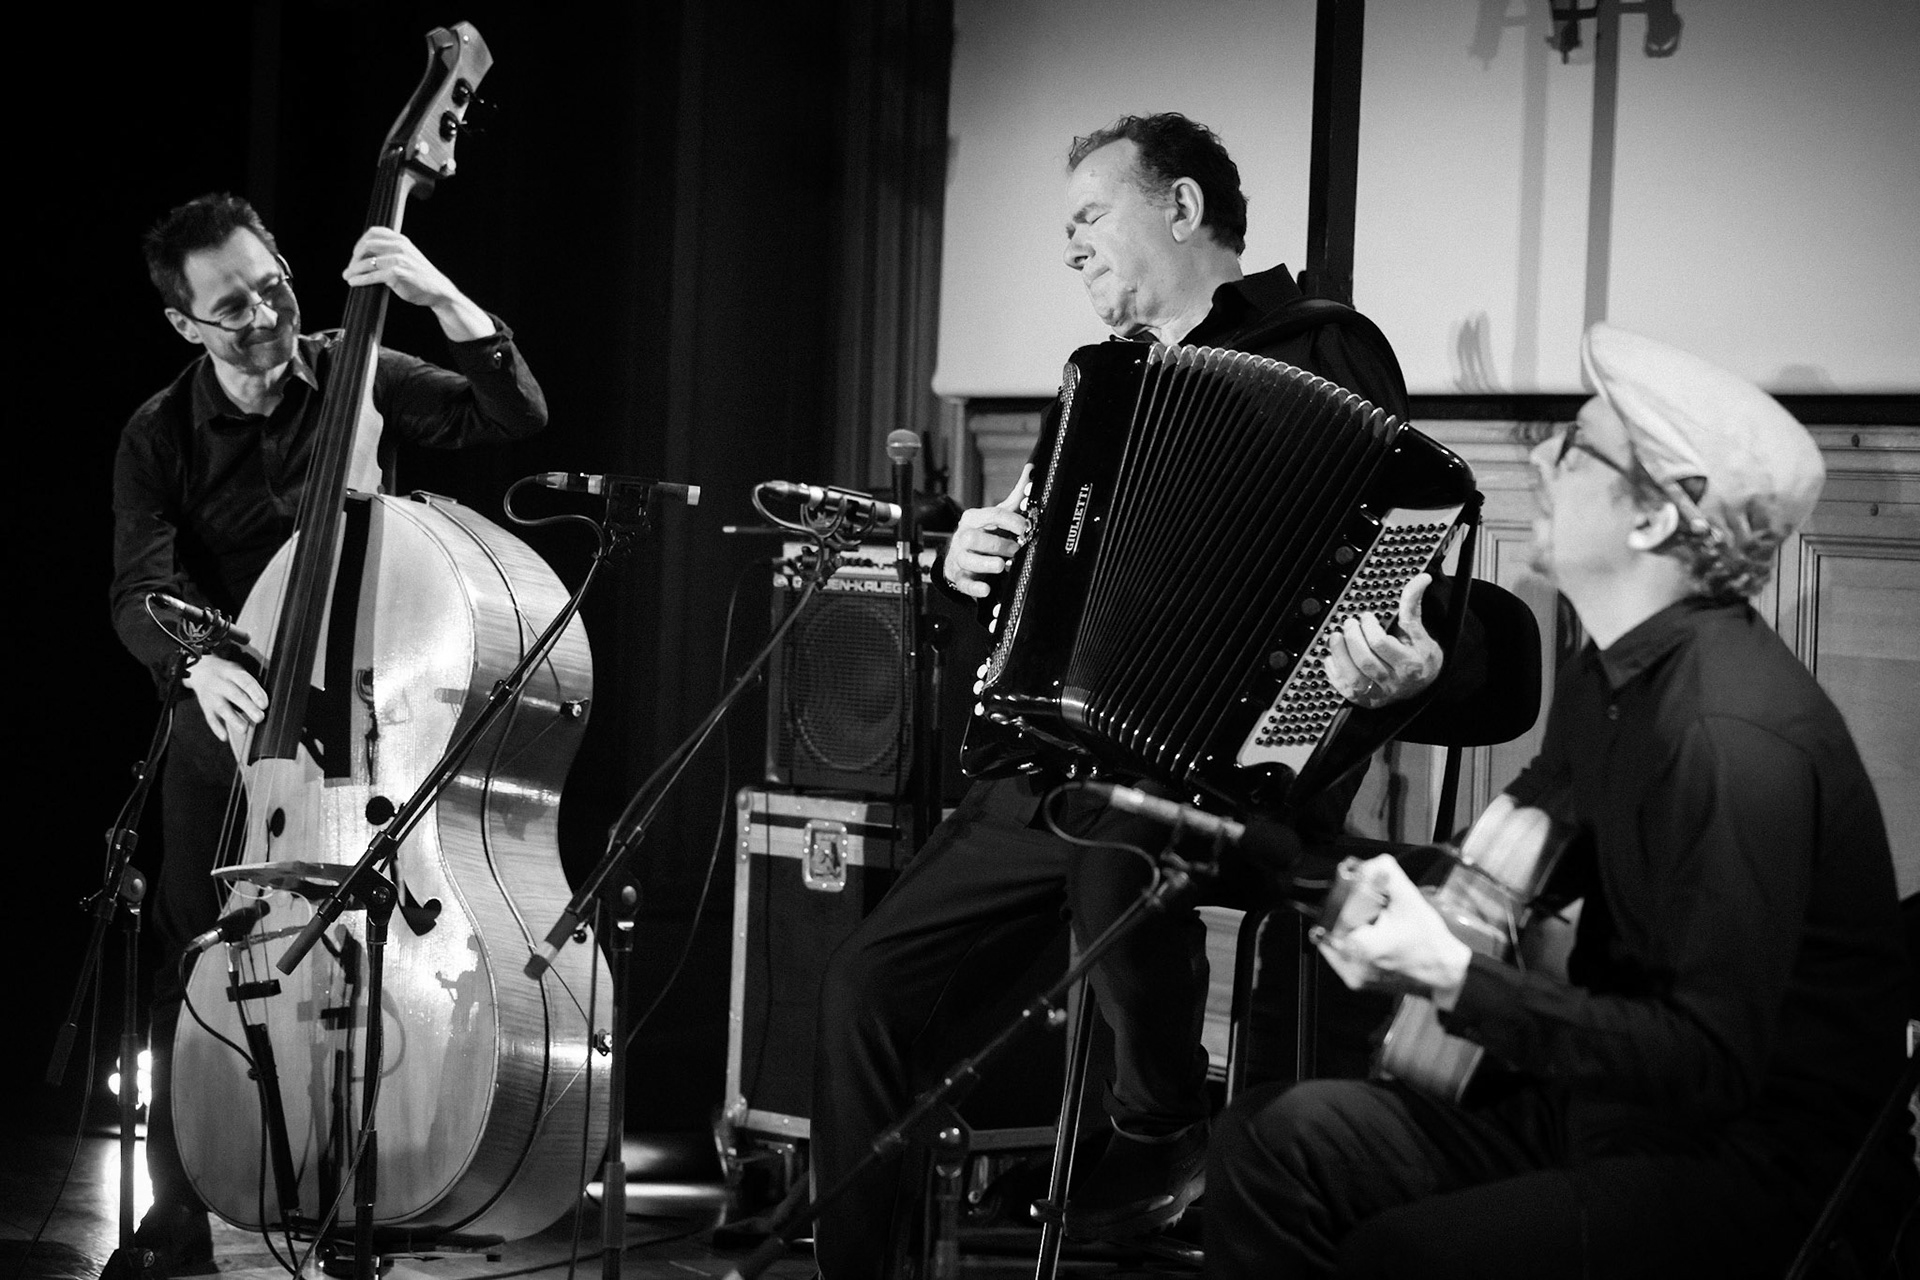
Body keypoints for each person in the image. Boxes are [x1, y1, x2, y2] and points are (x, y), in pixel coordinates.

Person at [811, 113, 1478, 1278]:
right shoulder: (1100, 390)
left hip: (1248, 771)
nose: (1068, 247)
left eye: (1088, 217)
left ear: (1180, 208)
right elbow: (1039, 602)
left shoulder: (1322, 347)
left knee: (1114, 827)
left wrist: (1378, 658)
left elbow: (1394, 559)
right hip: (1066, 765)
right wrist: (975, 559)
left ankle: (1163, 1124)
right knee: (866, 987)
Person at [1202, 324, 1915, 1277]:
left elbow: (1709, 1057)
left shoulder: (1728, 738)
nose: (1539, 454)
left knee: (1401, 1254)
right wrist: (1285, 855)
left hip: (1757, 1171)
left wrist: (1456, 978)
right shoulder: (1613, 670)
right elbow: (1504, 865)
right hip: (1615, 1111)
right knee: (1281, 1142)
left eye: (1576, 445)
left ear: (1658, 519)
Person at [109, 192, 547, 1272]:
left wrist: (440, 296)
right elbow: (135, 588)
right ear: (184, 324)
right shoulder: (158, 431)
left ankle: (362, 1170)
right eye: (231, 305)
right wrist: (191, 663)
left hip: (365, 722)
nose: (263, 313)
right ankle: (182, 1205)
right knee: (193, 950)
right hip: (231, 719)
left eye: (273, 284)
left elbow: (514, 412)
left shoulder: (356, 368)